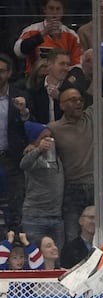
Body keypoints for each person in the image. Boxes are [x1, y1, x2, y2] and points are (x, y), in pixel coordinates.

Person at [48, 66, 103, 242]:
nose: (78, 103)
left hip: (98, 185)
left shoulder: (92, 116)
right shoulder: (53, 129)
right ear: (61, 104)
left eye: (80, 99)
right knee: (73, 237)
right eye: (72, 100)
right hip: (72, 189)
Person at [19, 122, 65, 250]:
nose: (48, 140)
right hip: (35, 217)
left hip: (56, 217)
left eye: (50, 136)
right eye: (43, 137)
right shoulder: (31, 154)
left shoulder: (57, 156)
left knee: (56, 257)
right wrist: (38, 149)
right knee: (35, 256)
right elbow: (23, 164)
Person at [0, 54, 33, 232]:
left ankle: (16, 238)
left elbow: (33, 125)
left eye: (1, 71)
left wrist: (24, 112)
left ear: (9, 73)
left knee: (16, 201)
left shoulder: (20, 97)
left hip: (12, 157)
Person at [14, 0, 81, 75]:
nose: (54, 13)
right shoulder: (31, 30)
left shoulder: (71, 35)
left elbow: (77, 65)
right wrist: (42, 34)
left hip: (62, 80)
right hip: (34, 79)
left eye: (58, 9)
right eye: (51, 8)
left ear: (63, 11)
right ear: (44, 10)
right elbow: (18, 52)